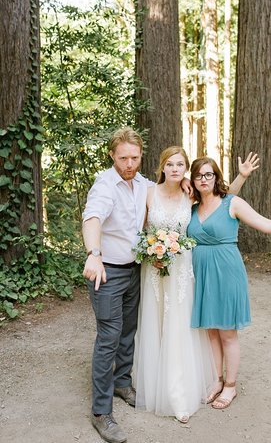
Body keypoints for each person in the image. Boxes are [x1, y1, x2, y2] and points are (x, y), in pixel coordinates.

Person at [133, 147, 257, 424]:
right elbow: (139, 231)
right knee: (157, 326)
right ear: (162, 166)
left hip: (182, 271)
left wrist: (241, 177)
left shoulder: (189, 195)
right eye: (170, 164)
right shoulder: (149, 193)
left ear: (185, 170)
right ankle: (156, 383)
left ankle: (181, 391)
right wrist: (147, 252)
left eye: (180, 165)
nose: (175, 169)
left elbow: (221, 202)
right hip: (154, 270)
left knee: (182, 327)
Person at [187, 156, 271, 410]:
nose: (203, 180)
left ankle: (231, 386)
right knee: (210, 331)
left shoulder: (232, 203)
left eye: (208, 175)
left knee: (227, 331)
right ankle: (217, 380)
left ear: (216, 177)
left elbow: (263, 223)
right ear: (193, 180)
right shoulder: (191, 207)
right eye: (198, 176)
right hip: (201, 272)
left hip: (226, 271)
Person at [82, 127, 152, 443]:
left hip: (135, 270)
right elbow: (92, 218)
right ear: (112, 155)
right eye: (123, 157)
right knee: (108, 336)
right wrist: (94, 254)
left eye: (134, 157)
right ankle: (101, 412)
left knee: (128, 331)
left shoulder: (143, 184)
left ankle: (122, 382)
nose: (129, 164)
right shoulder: (104, 185)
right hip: (107, 273)